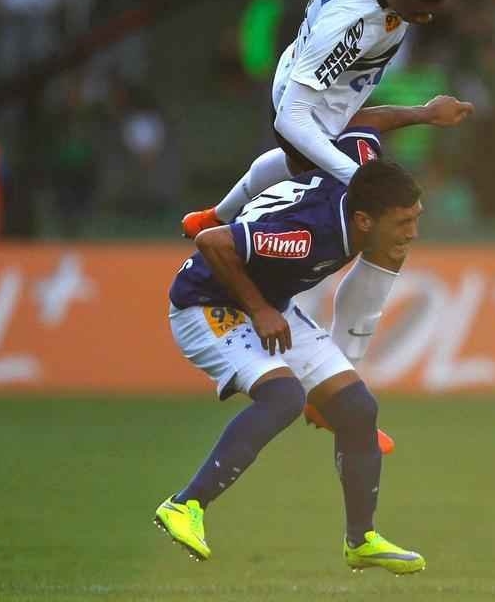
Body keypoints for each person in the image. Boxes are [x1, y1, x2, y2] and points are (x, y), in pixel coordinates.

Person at [181, 0, 457, 368]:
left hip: (334, 94)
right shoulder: (350, 28)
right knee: (384, 224)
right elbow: (290, 122)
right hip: (310, 101)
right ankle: (339, 369)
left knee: (327, 185)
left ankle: (218, 215)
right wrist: (356, 177)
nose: (424, 20)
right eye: (417, 11)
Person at [158, 137, 427, 574]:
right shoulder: (303, 238)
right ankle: (184, 505)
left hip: (269, 305)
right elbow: (212, 242)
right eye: (402, 223)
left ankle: (361, 541)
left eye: (415, 218)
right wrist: (261, 309)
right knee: (283, 398)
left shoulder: (362, 164)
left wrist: (421, 114)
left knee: (357, 408)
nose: (412, 232)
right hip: (207, 306)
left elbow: (363, 127)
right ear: (362, 219)